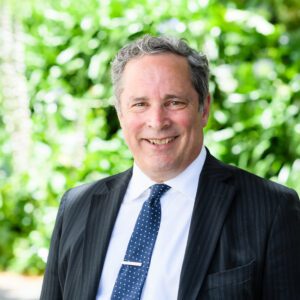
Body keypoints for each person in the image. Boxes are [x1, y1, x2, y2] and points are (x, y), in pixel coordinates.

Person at [40, 35, 300, 300]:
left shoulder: (271, 209)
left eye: (174, 102)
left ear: (204, 108)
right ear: (121, 114)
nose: (157, 121)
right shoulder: (76, 206)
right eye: (140, 104)